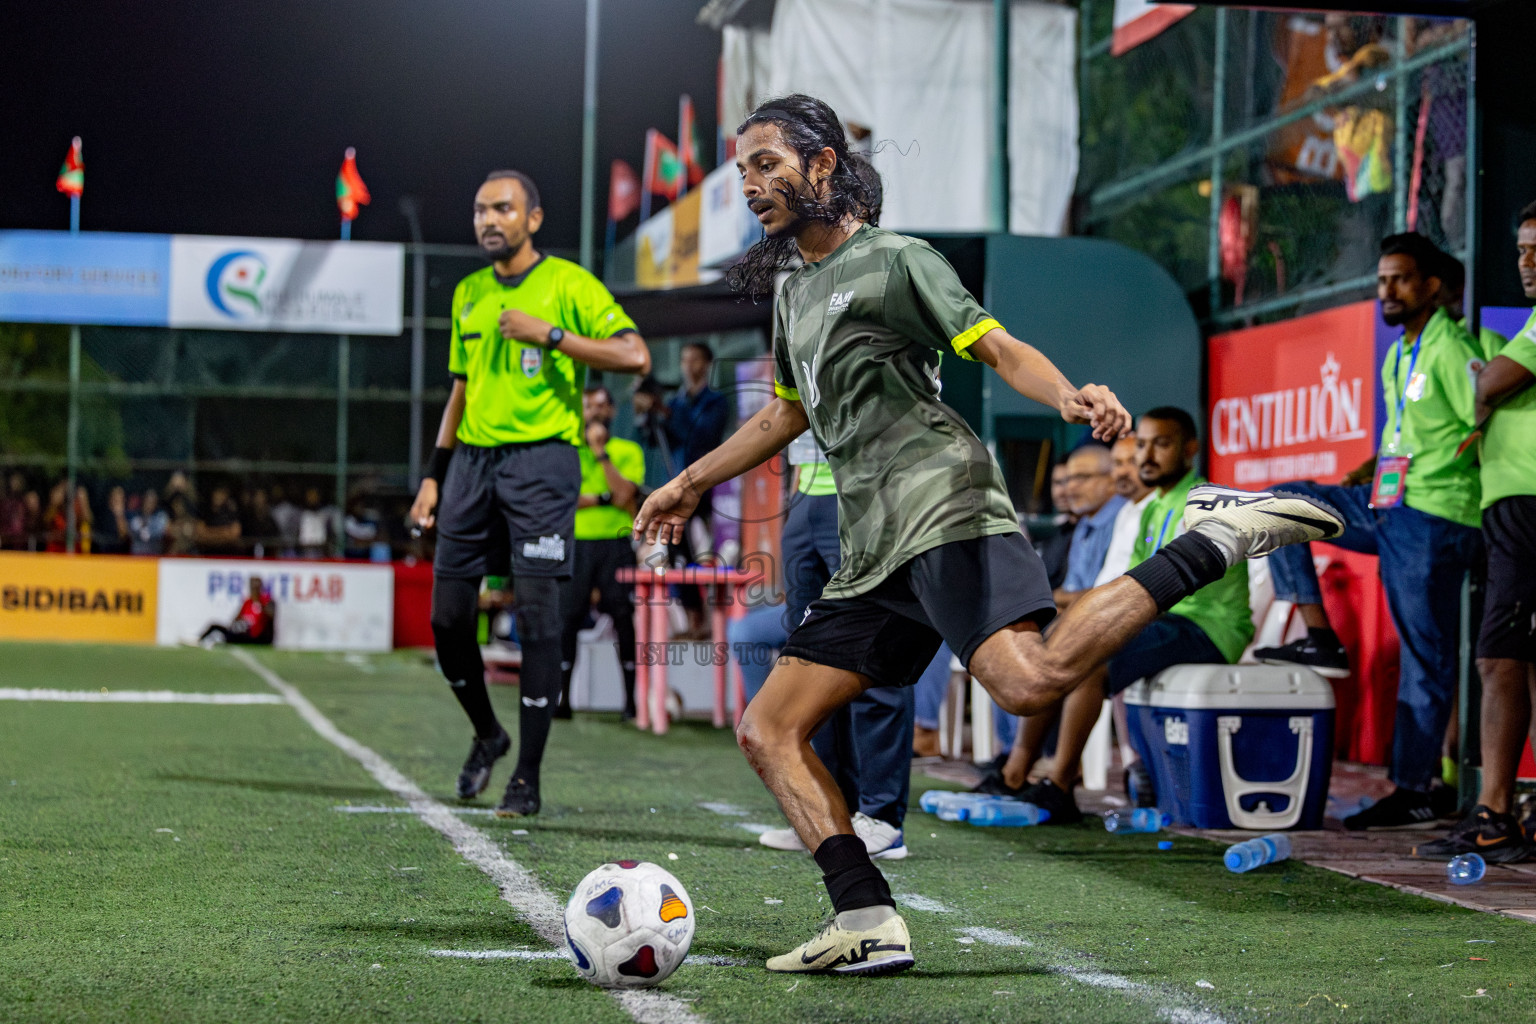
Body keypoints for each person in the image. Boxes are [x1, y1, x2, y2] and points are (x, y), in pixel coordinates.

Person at [633, 94, 1343, 975]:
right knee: (768, 728)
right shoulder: (791, 292)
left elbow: (998, 348)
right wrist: (685, 482)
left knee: (1029, 682)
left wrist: (1069, 395)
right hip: (872, 543)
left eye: (768, 163)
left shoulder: (897, 262)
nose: (751, 184)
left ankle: (1215, 537)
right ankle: (865, 918)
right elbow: (785, 415)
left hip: (940, 497)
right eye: (742, 169)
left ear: (823, 166)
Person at [409, 169, 650, 818]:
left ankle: (528, 777)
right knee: (447, 617)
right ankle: (489, 733)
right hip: (471, 468)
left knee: (543, 622)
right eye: (481, 209)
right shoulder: (466, 293)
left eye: (504, 209)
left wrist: (550, 336)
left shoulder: (568, 284)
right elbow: (459, 390)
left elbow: (634, 356)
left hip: (543, 465)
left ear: (533, 219)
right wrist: (434, 473)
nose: (490, 219)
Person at [1255, 233, 1482, 830]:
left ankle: (1415, 790)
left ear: (1431, 286)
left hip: (1434, 517)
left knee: (1424, 657)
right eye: (1381, 280)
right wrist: (1365, 472)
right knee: (1285, 503)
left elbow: (1485, 422)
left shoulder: (1452, 349)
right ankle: (1318, 635)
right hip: (1387, 506)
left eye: (1400, 279)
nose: (1387, 290)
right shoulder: (1398, 353)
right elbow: (1403, 438)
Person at [979, 409, 1253, 820]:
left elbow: (1169, 592)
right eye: (1141, 444)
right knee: (1057, 640)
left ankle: (1058, 785)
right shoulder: (1151, 508)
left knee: (1090, 660)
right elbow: (1134, 585)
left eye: (1161, 444)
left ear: (1190, 449)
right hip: (1164, 620)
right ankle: (1015, 771)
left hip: (1206, 625)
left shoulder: (1204, 500)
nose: (1147, 455)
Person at [1415, 202, 1536, 862]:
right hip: (1513, 502)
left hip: (1526, 503)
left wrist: (1481, 382)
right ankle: (1512, 809)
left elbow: (1488, 383)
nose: (1527, 262)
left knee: (1496, 659)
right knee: (1516, 662)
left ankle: (1493, 813)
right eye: (1521, 249)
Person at [557, 385, 645, 719]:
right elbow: (565, 499)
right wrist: (603, 498)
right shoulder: (567, 451)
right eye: (587, 407)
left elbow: (625, 496)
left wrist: (600, 454)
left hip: (616, 543)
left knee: (624, 617)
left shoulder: (627, 450)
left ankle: (630, 702)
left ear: (610, 411)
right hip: (578, 544)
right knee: (568, 620)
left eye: (599, 406)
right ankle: (563, 700)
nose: (593, 412)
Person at [1033, 461, 1078, 590]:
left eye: (1069, 481)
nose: (1061, 492)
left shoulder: (1092, 531)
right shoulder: (1058, 533)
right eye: (1057, 483)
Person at [198, 576, 275, 647]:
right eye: (252, 587)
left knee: (234, 638)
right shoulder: (247, 602)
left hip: (259, 638)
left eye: (256, 587)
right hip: (246, 634)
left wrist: (260, 604)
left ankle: (223, 641)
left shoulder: (267, 602)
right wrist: (238, 625)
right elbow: (237, 618)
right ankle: (198, 641)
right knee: (215, 627)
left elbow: (271, 617)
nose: (253, 589)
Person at [129, 489, 168, 555]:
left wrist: (148, 526)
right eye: (148, 501)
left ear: (156, 503)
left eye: (152, 502)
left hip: (154, 554)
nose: (149, 504)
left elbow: (160, 533)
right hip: (137, 555)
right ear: (144, 501)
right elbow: (131, 532)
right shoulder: (135, 516)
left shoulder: (160, 517)